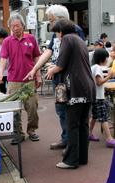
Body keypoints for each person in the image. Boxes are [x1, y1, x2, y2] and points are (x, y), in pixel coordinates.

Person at [24, 4, 85, 150]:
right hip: (59, 80)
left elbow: (74, 56)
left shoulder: (75, 31)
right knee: (61, 111)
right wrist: (35, 68)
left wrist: (55, 67)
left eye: (51, 20)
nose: (50, 24)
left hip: (71, 80)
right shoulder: (56, 33)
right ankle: (66, 140)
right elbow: (49, 51)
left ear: (61, 19)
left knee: (71, 113)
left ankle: (72, 145)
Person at [46, 19, 96, 169]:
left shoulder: (67, 39)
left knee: (72, 124)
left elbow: (60, 65)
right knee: (83, 124)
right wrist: (54, 67)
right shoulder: (80, 40)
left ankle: (71, 160)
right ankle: (82, 158)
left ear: (61, 31)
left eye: (57, 32)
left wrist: (51, 70)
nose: (57, 36)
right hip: (87, 87)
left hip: (75, 89)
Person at [0, 13, 41, 143]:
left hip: (29, 80)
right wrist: (0, 73)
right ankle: (18, 133)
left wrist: (38, 75)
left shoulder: (31, 39)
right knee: (14, 109)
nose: (15, 28)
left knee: (32, 107)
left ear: (23, 25)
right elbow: (3, 58)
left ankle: (31, 130)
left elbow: (37, 57)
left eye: (17, 25)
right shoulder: (7, 41)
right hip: (13, 80)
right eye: (12, 26)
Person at [89, 48, 115, 147]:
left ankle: (89, 133)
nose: (108, 60)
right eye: (107, 58)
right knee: (103, 117)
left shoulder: (93, 67)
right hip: (98, 97)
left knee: (95, 116)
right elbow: (99, 82)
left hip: (93, 95)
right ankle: (109, 138)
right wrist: (109, 76)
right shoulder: (98, 68)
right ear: (102, 58)